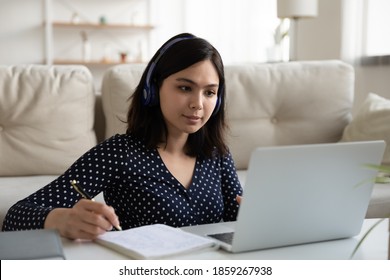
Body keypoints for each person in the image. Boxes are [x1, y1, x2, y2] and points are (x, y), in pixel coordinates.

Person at [2, 33, 243, 240]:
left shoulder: (216, 153)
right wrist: (62, 220)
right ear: (153, 89)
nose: (198, 104)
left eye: (210, 92)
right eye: (185, 88)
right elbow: (16, 217)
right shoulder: (120, 153)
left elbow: (238, 219)